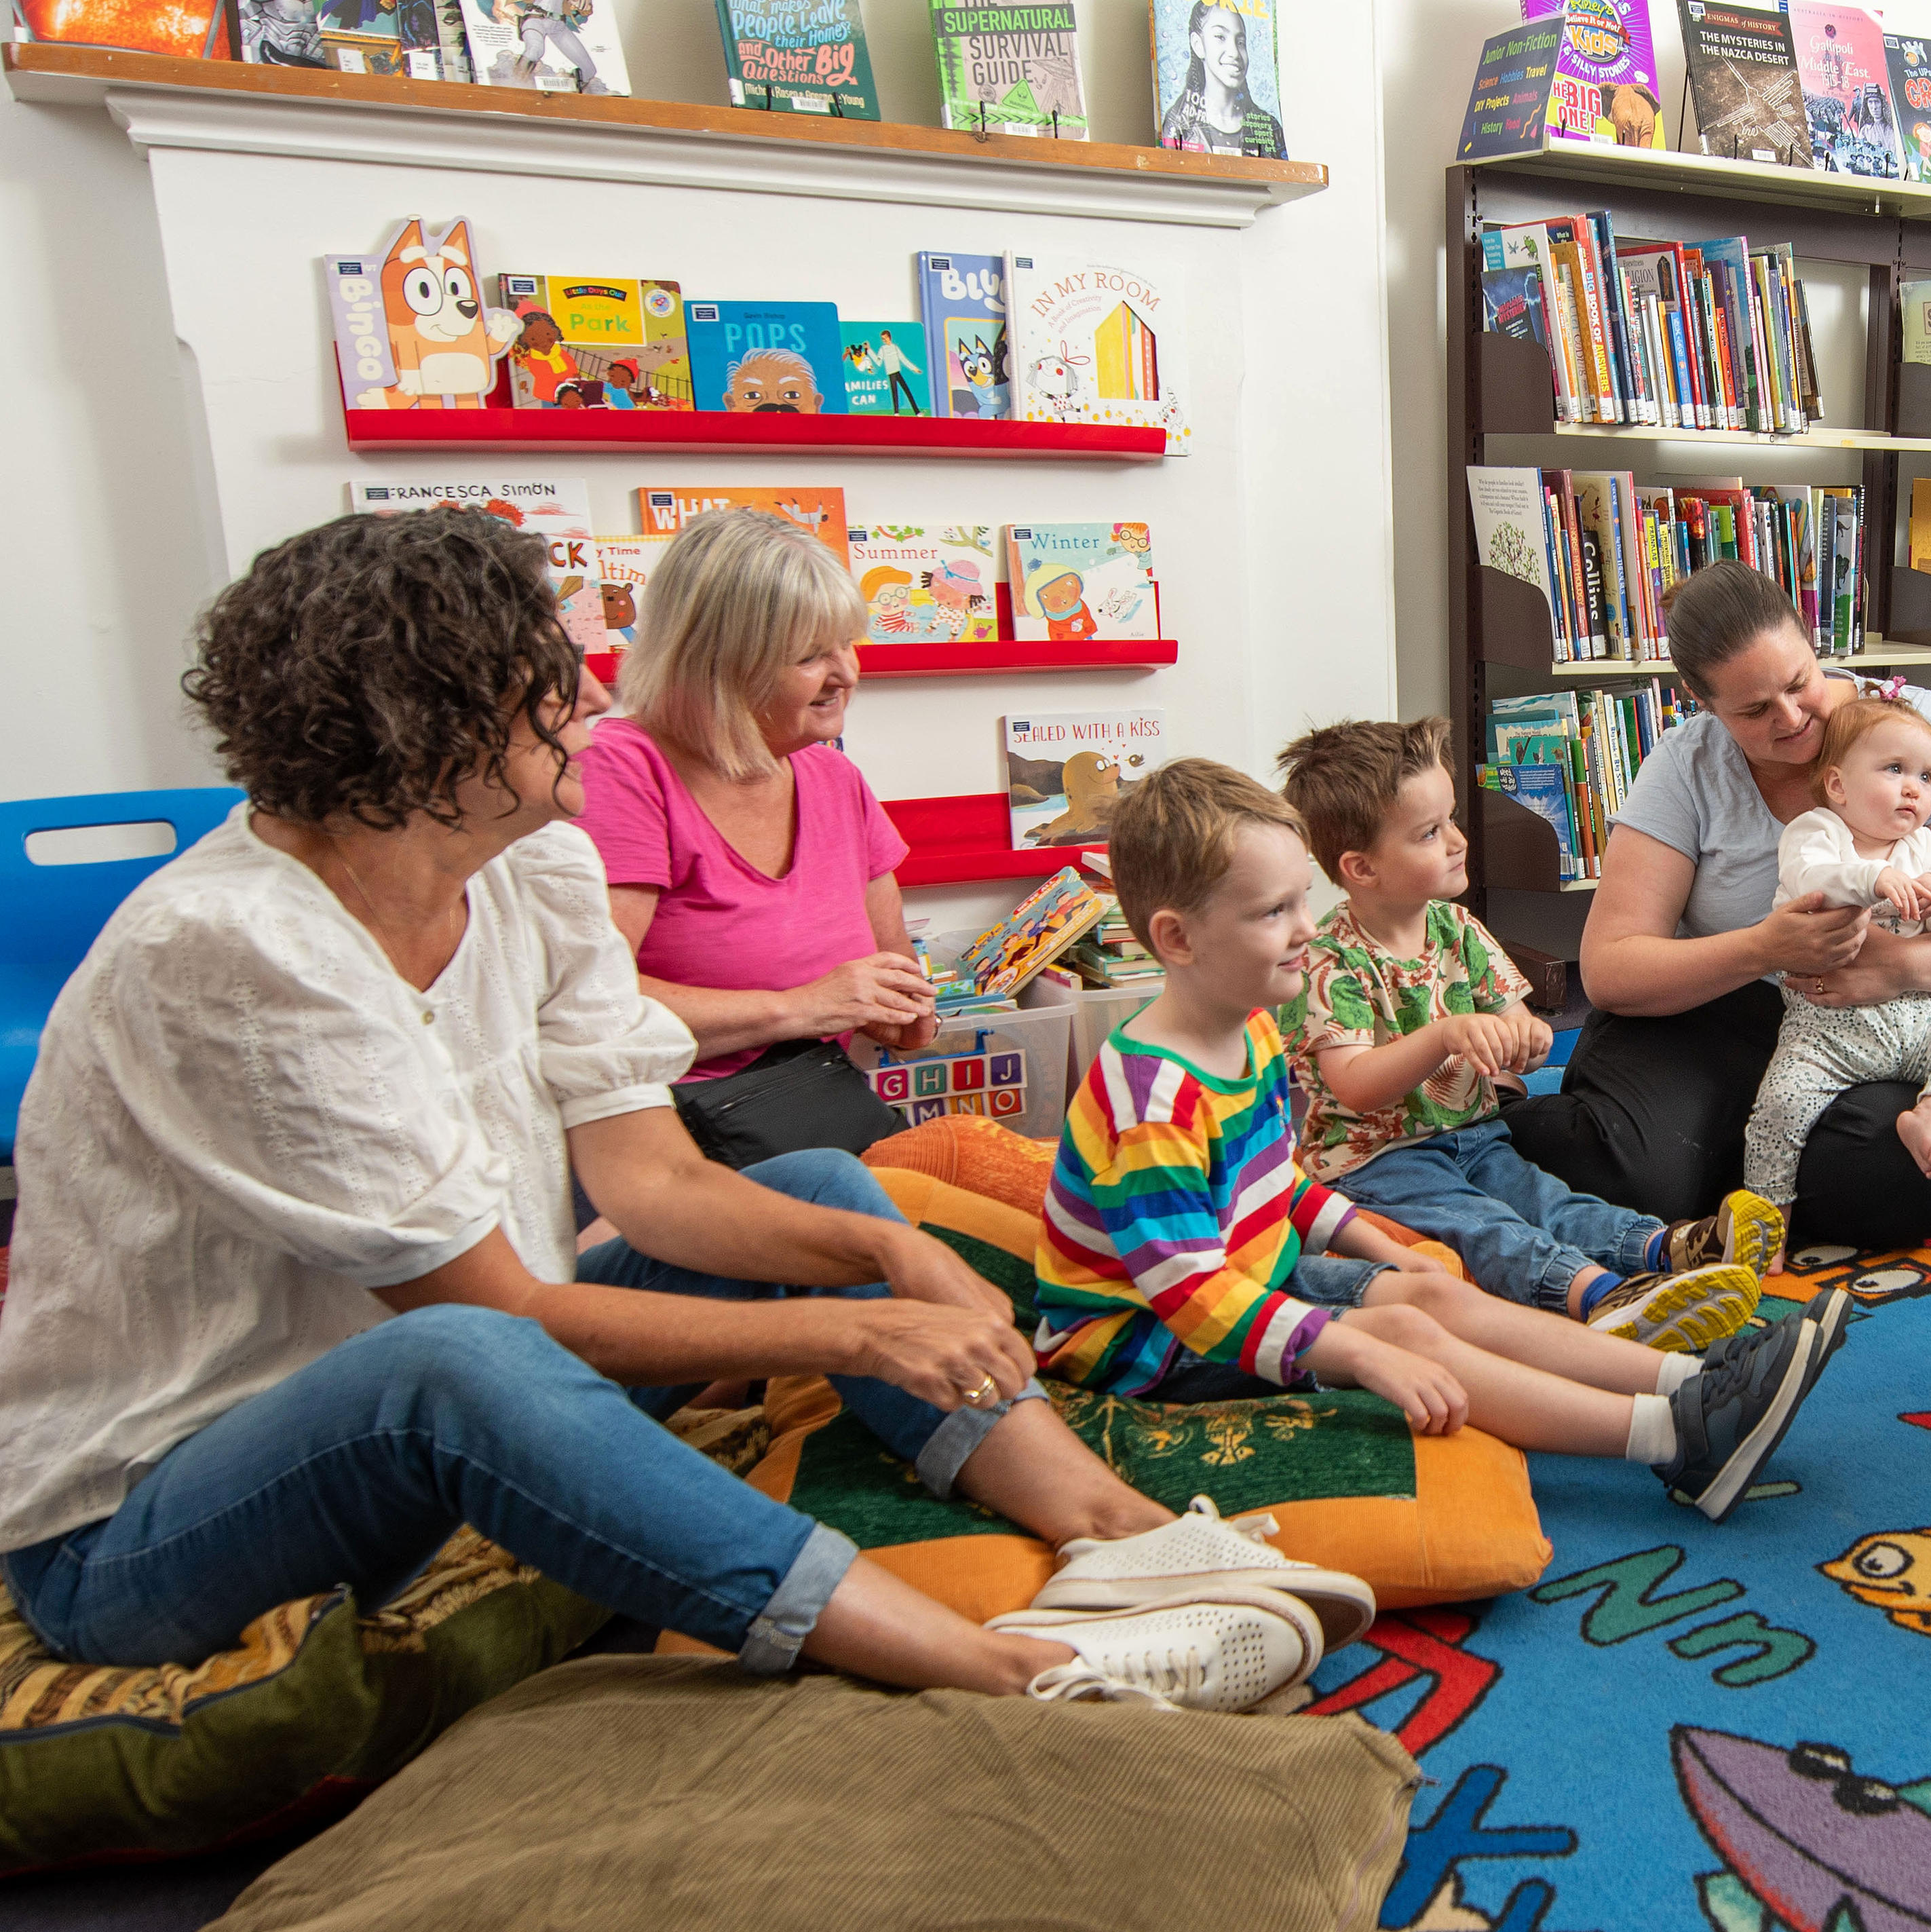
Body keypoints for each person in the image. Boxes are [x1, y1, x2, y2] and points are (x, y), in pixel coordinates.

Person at [0, 510, 1347, 1713]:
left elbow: (649, 1181)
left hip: (467, 1378)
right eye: (550, 687)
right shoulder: (239, 951)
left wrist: (889, 1253)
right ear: (432, 739)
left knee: (824, 1187)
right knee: (461, 1367)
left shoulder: (533, 867)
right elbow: (496, 1322)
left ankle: (1115, 1531)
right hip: (146, 1522)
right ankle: (1018, 1666)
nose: (595, 698)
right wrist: (861, 1321)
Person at [1035, 759, 1846, 1523]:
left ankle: (1695, 1378)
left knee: (1430, 1289)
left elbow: (1273, 1180)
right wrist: (1356, 1354)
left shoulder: (1244, 1032)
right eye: (1270, 913)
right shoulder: (1151, 1102)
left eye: (1298, 902)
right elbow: (1190, 1301)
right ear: (1177, 939)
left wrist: (1378, 1245)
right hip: (1146, 1348)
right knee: (1403, 1333)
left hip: (1249, 1280)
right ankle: (1676, 1440)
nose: (1304, 930)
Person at [1504, 561, 1931, 1252]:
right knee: (1633, 1179)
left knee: (1913, 1183)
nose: (1790, 720)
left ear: (1814, 646)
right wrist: (1766, 948)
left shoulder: (1908, 728)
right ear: (1699, 700)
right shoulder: (1685, 765)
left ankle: (1722, 1162)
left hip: (1872, 1030)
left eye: (1798, 684)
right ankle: (1535, 1123)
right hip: (1709, 1016)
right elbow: (1609, 970)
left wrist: (1898, 968)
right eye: (1754, 711)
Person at [1272, 715, 1779, 1346]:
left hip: (1474, 1134)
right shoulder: (1328, 959)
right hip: (1375, 1164)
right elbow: (1352, 1086)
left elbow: (1522, 1023)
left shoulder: (1460, 929)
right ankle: (1602, 1297)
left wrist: (1526, 1037)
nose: (1458, 841)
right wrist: (1445, 1036)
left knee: (1548, 1200)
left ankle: (1672, 1246)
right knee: (1487, 1228)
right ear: (1362, 868)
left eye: (1451, 819)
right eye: (1430, 833)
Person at [574, 510, 936, 1158]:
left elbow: (902, 1005)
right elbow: (588, 1003)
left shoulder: (833, 778)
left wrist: (905, 1012)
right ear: (720, 664)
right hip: (667, 1145)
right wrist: (800, 1007)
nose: (847, 674)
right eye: (810, 656)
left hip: (814, 1116)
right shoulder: (621, 769)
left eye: (845, 644)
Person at [1744, 696, 1931, 1198]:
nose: (1914, 788)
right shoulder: (1816, 832)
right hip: (1827, 1033)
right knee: (1780, 1104)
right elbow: (1810, 879)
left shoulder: (1923, 848)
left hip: (1916, 1022)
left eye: (1926, 777)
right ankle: (1770, 1212)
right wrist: (1875, 878)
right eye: (1894, 769)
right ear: (1839, 784)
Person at [1155, 0, 1285, 158]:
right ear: (1198, 45)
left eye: (1240, 42)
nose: (1235, 53)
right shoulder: (1179, 125)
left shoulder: (1270, 129)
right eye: (1220, 37)